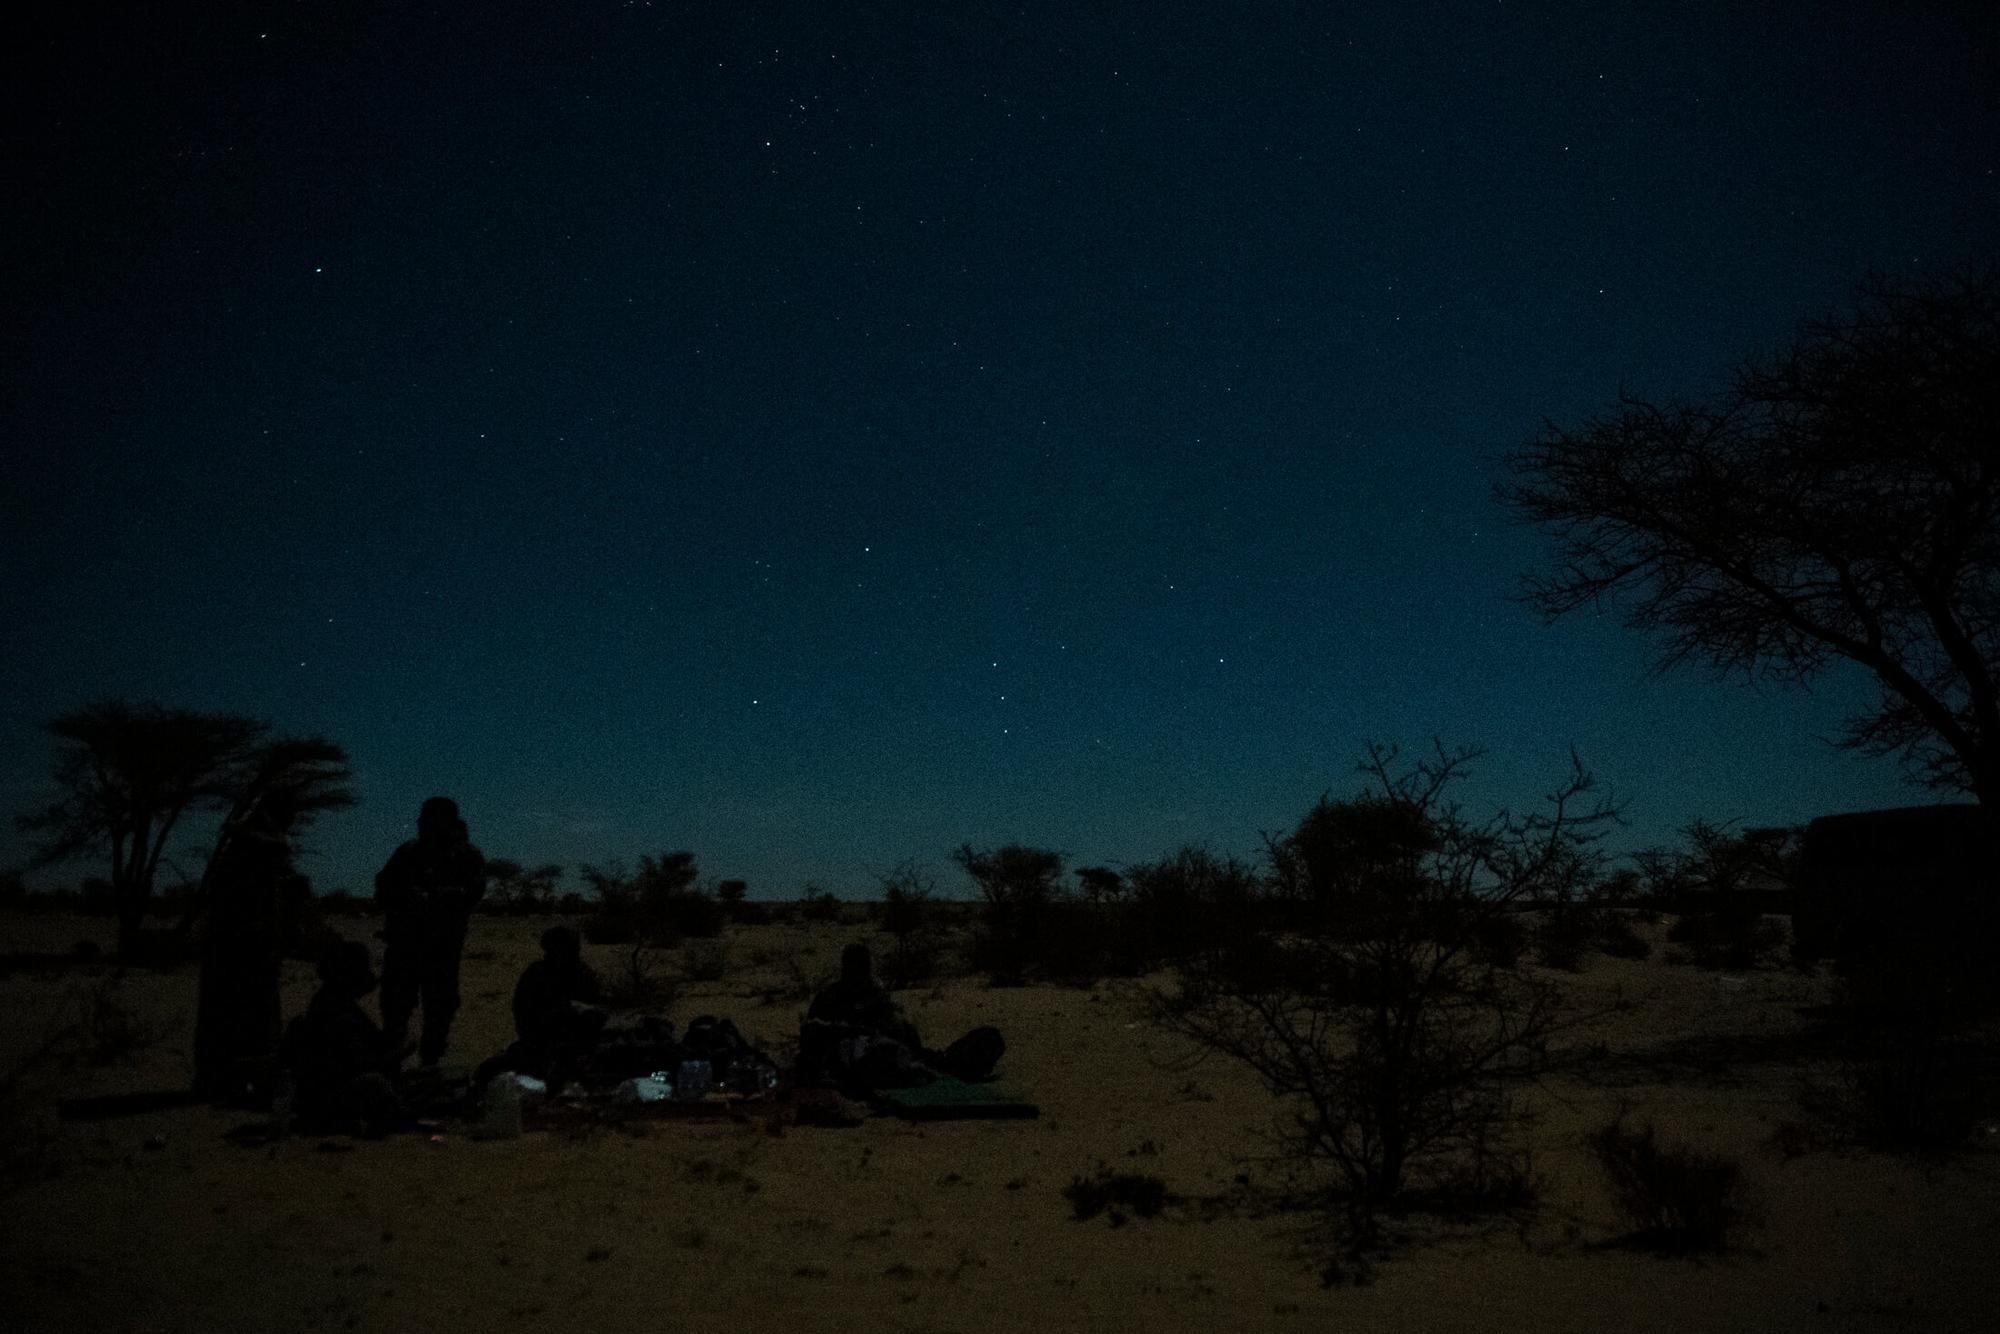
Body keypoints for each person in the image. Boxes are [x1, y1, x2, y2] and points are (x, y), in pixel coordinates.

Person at [193, 787, 300, 1101]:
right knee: (241, 1015)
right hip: (241, 950)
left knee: (239, 1016)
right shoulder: (253, 850)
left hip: (248, 948)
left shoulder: (249, 847)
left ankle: (232, 1080)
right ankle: (231, 1081)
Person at [374, 796, 487, 1069]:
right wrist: (405, 897)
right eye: (423, 817)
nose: (421, 822)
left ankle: (430, 1064)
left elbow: (472, 893)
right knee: (396, 1007)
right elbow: (382, 887)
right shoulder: (408, 852)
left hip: (441, 948)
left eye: (429, 817)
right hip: (404, 946)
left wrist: (434, 897)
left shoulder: (466, 855)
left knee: (439, 1009)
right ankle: (394, 1063)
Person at [800, 943, 1003, 1090]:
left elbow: (896, 1026)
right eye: (855, 966)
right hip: (849, 1056)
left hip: (888, 1049)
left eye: (862, 966)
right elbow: (814, 1035)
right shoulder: (830, 996)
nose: (859, 972)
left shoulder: (875, 993)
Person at [280, 940, 406, 1136]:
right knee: (376, 1085)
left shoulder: (339, 1002)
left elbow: (375, 1041)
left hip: (329, 1088)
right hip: (326, 1095)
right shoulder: (334, 1012)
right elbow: (356, 1062)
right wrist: (390, 1057)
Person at [475, 926, 607, 1091]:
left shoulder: (583, 973)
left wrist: (587, 1014)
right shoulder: (537, 974)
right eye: (564, 948)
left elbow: (597, 1011)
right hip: (540, 1044)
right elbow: (525, 1015)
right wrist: (563, 1011)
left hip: (579, 1044)